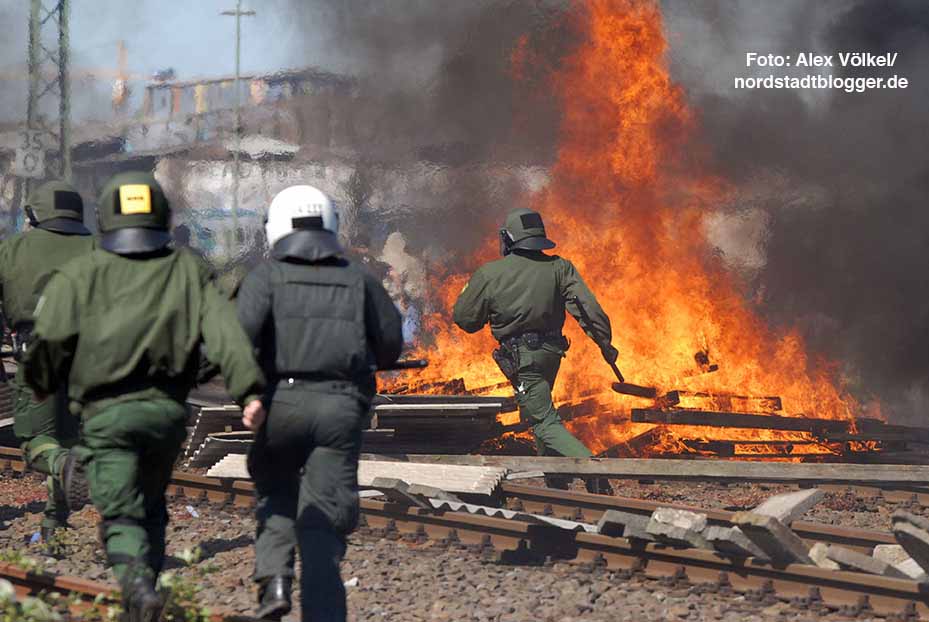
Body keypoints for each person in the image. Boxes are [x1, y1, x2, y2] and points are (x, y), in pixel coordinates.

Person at [22, 171, 266, 622]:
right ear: (164, 218)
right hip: (168, 416)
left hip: (108, 417)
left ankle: (137, 588)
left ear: (105, 219)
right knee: (151, 506)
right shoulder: (188, 270)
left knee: (121, 517)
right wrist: (249, 391)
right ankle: (146, 598)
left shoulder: (81, 273)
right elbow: (226, 335)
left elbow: (50, 340)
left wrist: (40, 381)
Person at [237, 184, 403, 621]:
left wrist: (249, 395)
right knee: (324, 513)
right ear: (330, 224)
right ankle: (324, 612)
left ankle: (274, 583)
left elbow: (238, 342)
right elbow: (390, 346)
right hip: (339, 407)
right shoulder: (359, 277)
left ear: (277, 228)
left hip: (281, 406)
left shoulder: (264, 277)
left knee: (276, 493)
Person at [452, 208, 618, 491]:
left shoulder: (489, 273)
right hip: (551, 355)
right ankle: (556, 480)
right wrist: (605, 343)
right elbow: (588, 310)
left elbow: (466, 320)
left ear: (508, 238)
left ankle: (592, 469)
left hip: (522, 360)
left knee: (542, 421)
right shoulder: (560, 268)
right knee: (538, 410)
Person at [0, 180, 94, 540]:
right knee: (72, 441)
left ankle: (59, 466)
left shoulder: (12, 249)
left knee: (37, 442)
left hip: (38, 359)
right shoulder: (100, 248)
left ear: (35, 213)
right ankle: (55, 526)